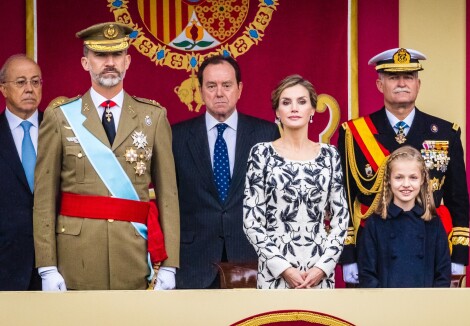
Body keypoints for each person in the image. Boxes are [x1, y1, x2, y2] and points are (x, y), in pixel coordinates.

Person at [33, 22, 180, 290]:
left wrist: (169, 265)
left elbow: (168, 196)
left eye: (116, 55)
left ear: (128, 61)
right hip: (76, 257)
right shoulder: (60, 117)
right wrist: (47, 266)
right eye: (100, 55)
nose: (109, 62)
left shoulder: (153, 118)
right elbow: (44, 197)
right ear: (85, 62)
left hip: (134, 254)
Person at [338, 47, 469, 284]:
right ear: (380, 84)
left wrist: (458, 255)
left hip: (429, 245)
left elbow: (457, 198)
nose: (401, 83)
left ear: (418, 84)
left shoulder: (446, 133)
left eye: (408, 77)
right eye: (393, 77)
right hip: (373, 249)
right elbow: (344, 198)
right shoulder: (354, 134)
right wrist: (349, 256)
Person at [173, 55, 279, 289]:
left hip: (251, 260)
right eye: (211, 86)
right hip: (194, 263)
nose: (219, 93)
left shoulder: (267, 134)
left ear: (239, 89)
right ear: (201, 90)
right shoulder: (176, 137)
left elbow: (276, 201)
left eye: (227, 85)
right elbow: (168, 202)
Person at [243, 75, 349, 289]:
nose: (294, 108)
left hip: (319, 271)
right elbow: (251, 221)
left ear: (312, 110)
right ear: (277, 112)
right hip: (274, 272)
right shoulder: (261, 154)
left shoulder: (329, 155)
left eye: (301, 102)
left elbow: (341, 219)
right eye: (286, 102)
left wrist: (323, 267)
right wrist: (283, 268)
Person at [357, 146, 450, 287]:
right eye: (399, 177)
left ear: (422, 179)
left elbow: (442, 275)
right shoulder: (375, 223)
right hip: (386, 305)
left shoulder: (433, 223)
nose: (406, 184)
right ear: (388, 179)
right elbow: (367, 274)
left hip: (425, 305)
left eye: (413, 178)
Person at [0, 54, 43, 290]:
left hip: (57, 268)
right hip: (5, 266)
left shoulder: (63, 133)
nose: (29, 89)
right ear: (3, 89)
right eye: (21, 82)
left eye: (35, 82)